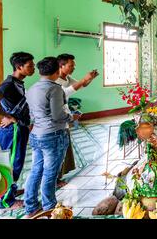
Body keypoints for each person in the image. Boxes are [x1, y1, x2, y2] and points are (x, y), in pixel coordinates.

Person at [23, 57, 80, 218]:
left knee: (36, 170)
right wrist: (72, 118)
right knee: (50, 172)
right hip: (53, 135)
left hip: (36, 134)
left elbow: (32, 115)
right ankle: (50, 206)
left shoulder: (32, 88)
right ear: (57, 71)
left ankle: (31, 206)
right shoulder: (55, 89)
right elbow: (57, 115)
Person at [0, 52, 35, 210]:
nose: (33, 68)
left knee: (17, 163)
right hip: (12, 130)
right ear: (19, 67)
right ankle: (6, 201)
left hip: (19, 128)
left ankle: (10, 191)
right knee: (12, 164)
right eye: (30, 66)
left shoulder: (18, 82)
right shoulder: (7, 84)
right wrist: (8, 116)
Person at [55, 54, 98, 186]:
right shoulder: (55, 80)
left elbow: (81, 85)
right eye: (71, 65)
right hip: (57, 119)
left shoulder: (67, 78)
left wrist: (90, 78)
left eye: (73, 65)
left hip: (65, 117)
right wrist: (84, 79)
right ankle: (54, 180)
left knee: (64, 148)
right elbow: (66, 92)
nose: (73, 67)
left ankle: (58, 177)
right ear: (61, 66)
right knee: (57, 149)